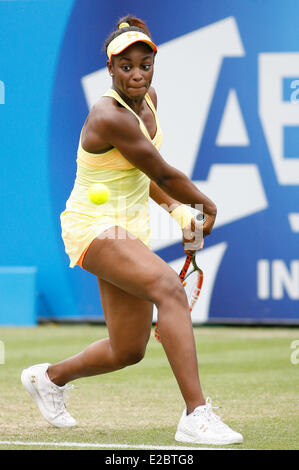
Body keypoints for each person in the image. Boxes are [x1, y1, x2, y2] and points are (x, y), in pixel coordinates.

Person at [21, 15, 243, 445]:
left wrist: (178, 212)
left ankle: (49, 378)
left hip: (129, 227)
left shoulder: (150, 100)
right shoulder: (109, 115)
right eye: (126, 67)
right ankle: (196, 416)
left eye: (145, 64)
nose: (137, 74)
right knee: (168, 287)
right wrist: (205, 206)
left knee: (128, 349)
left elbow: (141, 174)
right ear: (110, 70)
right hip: (93, 227)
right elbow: (161, 172)